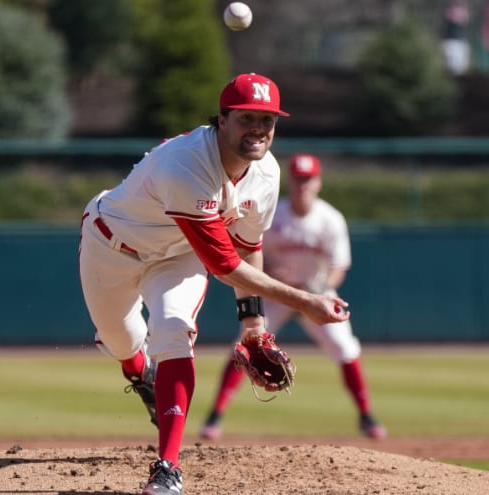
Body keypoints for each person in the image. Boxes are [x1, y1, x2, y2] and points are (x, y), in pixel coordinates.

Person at [78, 74, 351, 495]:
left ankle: (167, 468)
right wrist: (304, 300)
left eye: (268, 120)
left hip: (179, 255)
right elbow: (224, 266)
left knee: (172, 329)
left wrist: (255, 326)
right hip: (111, 246)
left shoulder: (266, 173)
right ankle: (141, 375)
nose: (259, 129)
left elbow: (246, 245)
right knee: (122, 342)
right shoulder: (187, 162)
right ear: (221, 121)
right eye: (247, 119)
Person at [200, 153, 386, 442]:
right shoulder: (276, 215)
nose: (303, 185)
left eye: (308, 179)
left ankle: (366, 415)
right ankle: (215, 416)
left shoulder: (330, 219)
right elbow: (254, 252)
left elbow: (339, 266)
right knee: (246, 343)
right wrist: (275, 277)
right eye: (298, 179)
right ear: (291, 181)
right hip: (279, 293)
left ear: (318, 182)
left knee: (346, 348)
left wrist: (322, 285)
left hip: (317, 295)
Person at [440, 0, 471, 75]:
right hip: (450, 42)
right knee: (450, 67)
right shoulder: (449, 12)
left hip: (460, 42)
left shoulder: (463, 13)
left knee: (460, 69)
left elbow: (466, 18)